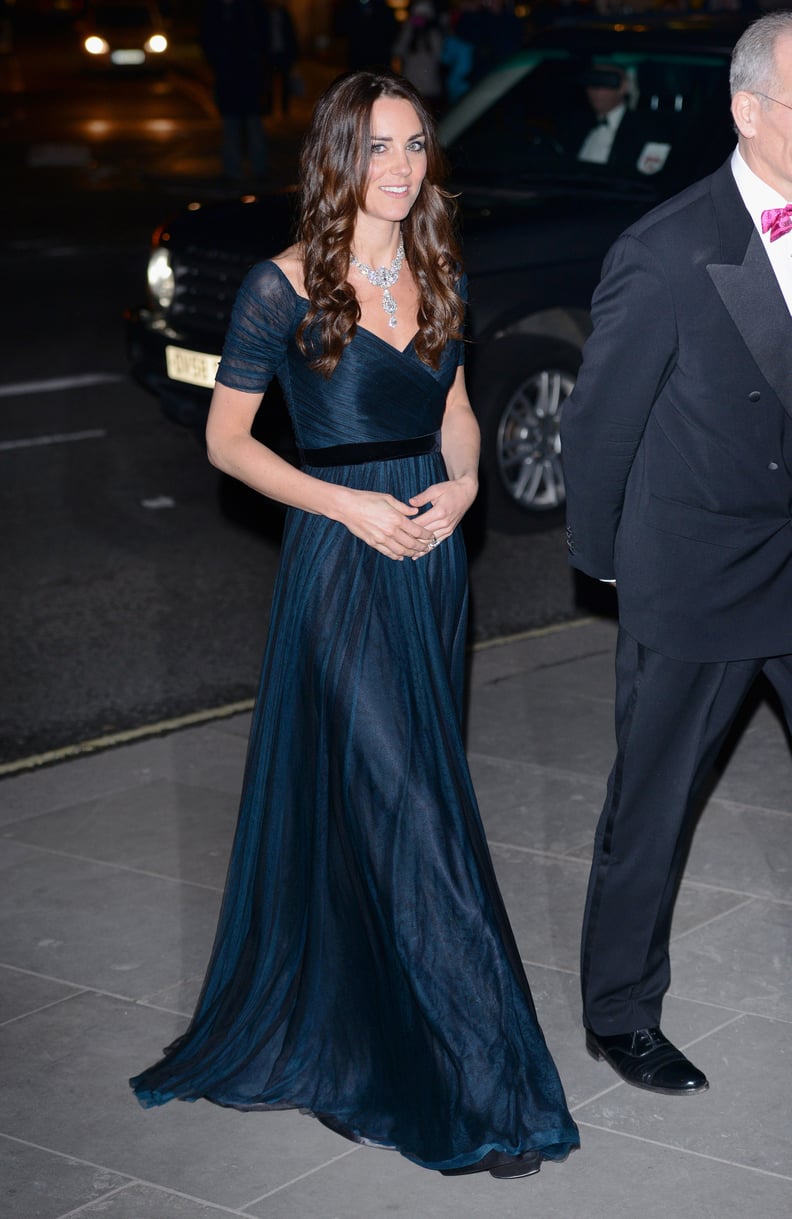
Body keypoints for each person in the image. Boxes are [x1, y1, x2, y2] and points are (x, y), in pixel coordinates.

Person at [130, 68, 579, 1178]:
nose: (401, 167)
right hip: (338, 561)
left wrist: (466, 491)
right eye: (378, 148)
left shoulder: (438, 267)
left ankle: (353, 1039)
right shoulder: (281, 287)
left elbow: (461, 410)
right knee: (408, 807)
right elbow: (227, 442)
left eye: (416, 144)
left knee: (388, 803)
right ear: (338, 157)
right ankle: (478, 1079)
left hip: (430, 562)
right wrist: (348, 503)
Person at [560, 11, 792, 1097]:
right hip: (696, 576)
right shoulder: (664, 249)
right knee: (650, 810)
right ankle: (619, 1012)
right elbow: (598, 427)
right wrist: (611, 567)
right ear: (749, 112)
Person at [201, 0, 271, 183]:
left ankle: (258, 169)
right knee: (232, 125)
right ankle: (234, 170)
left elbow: (262, 39)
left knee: (252, 124)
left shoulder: (249, 9)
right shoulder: (218, 9)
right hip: (229, 77)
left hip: (248, 76)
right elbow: (207, 38)